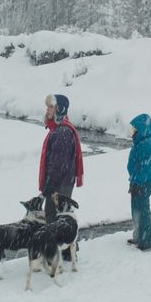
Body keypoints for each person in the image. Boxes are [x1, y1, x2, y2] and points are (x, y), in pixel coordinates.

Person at [38, 94, 84, 225]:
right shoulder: (58, 129)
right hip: (61, 182)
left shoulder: (62, 132)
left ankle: (57, 239)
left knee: (54, 220)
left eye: (51, 107)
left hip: (60, 184)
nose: (47, 109)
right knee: (57, 219)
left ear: (60, 109)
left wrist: (50, 183)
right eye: (47, 106)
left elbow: (59, 163)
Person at [126, 113, 151, 251]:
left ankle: (146, 241)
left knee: (142, 212)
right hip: (137, 182)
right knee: (136, 210)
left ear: (141, 129)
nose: (132, 132)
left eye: (134, 129)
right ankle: (138, 237)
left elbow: (145, 168)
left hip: (142, 184)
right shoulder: (141, 142)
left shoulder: (146, 145)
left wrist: (138, 183)